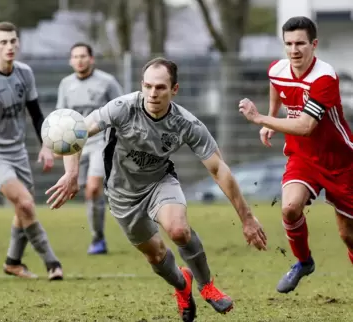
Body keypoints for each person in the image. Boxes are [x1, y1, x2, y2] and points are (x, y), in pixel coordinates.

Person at [46, 57, 268, 321]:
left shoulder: (186, 123)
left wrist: (247, 218)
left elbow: (219, 169)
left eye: (160, 87)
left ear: (174, 89)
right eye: (148, 86)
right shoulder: (121, 108)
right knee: (156, 255)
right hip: (121, 195)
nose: (153, 93)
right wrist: (71, 174)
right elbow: (77, 132)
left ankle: (207, 286)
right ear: (142, 85)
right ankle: (182, 286)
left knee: (178, 230)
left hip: (160, 183)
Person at [238, 16, 353, 294]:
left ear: (314, 44)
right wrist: (274, 114)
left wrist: (263, 120)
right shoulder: (278, 69)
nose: (294, 50)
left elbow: (305, 126)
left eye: (300, 43)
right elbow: (276, 84)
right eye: (288, 44)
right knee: (289, 208)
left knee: (348, 236)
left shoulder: (324, 78)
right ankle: (303, 262)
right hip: (302, 159)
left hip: (340, 162)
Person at [0, 21, 63, 281]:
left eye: (13, 41)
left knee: (23, 208)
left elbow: (37, 114)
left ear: (18, 43)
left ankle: (12, 262)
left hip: (18, 153)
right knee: (26, 203)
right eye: (3, 42)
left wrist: (46, 145)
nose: (9, 46)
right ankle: (52, 263)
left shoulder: (25, 73)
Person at [56, 42, 124, 254]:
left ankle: (97, 240)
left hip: (100, 142)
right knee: (81, 190)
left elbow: (121, 109)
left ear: (91, 59)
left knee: (93, 188)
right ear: (70, 61)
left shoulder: (107, 82)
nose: (79, 60)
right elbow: (61, 117)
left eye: (83, 56)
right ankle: (98, 235)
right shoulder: (65, 84)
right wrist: (55, 145)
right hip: (75, 144)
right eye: (75, 56)